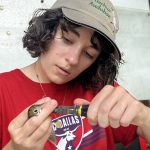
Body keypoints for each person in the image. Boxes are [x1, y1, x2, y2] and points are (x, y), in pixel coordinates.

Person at [1, 0, 150, 150]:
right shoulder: (3, 90)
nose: (73, 59)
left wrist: (144, 117)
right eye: (67, 40)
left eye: (88, 54)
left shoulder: (102, 90)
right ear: (47, 29)